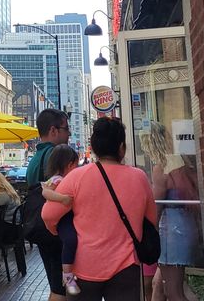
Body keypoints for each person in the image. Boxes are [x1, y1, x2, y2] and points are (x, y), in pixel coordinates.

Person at [42, 118, 156, 301]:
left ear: (94, 148)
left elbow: (48, 215)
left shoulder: (77, 177)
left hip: (83, 266)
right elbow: (152, 220)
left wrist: (61, 232)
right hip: (126, 267)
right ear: (122, 147)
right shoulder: (140, 178)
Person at [145, 122, 201, 301]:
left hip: (171, 232)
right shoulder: (182, 160)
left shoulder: (161, 167)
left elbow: (156, 207)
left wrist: (148, 237)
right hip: (187, 226)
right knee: (166, 286)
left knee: (173, 292)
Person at [26, 108, 71, 301]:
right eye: (66, 129)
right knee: (62, 289)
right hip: (57, 231)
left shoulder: (34, 159)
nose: (69, 134)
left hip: (41, 230)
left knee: (57, 285)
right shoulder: (56, 156)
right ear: (54, 130)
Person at [41, 145, 80, 295]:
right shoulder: (57, 179)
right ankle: (68, 277)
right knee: (71, 240)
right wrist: (62, 198)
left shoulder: (70, 179)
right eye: (76, 164)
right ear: (69, 164)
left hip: (70, 216)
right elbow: (46, 192)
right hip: (63, 219)